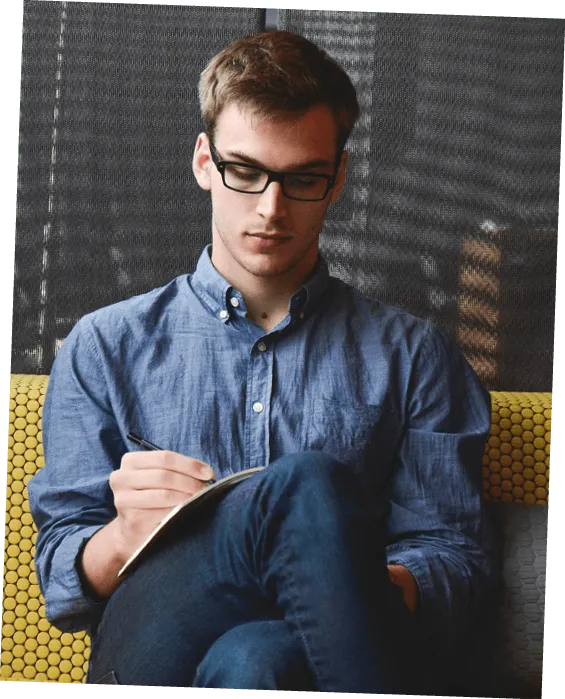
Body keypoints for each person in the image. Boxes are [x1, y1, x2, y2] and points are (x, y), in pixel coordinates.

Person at [28, 30, 497, 692]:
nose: (270, 208)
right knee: (304, 486)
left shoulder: (415, 356)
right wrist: (122, 534)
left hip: (302, 656)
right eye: (243, 171)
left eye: (302, 178)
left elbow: (454, 564)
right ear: (203, 162)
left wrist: (334, 577)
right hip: (147, 655)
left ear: (335, 179)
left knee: (257, 660)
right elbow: (61, 580)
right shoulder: (103, 346)